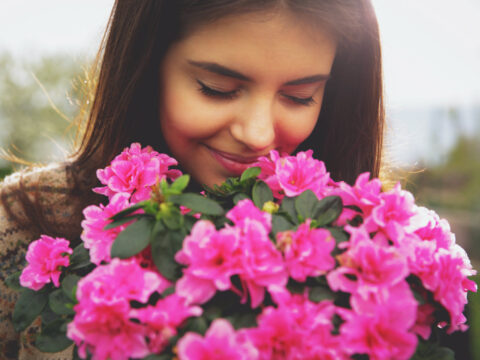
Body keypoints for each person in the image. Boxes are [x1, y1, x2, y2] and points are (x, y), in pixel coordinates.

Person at [0, 0, 384, 358]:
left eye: (300, 96)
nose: (258, 134)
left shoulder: (372, 249)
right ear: (147, 67)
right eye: (217, 89)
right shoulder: (20, 224)